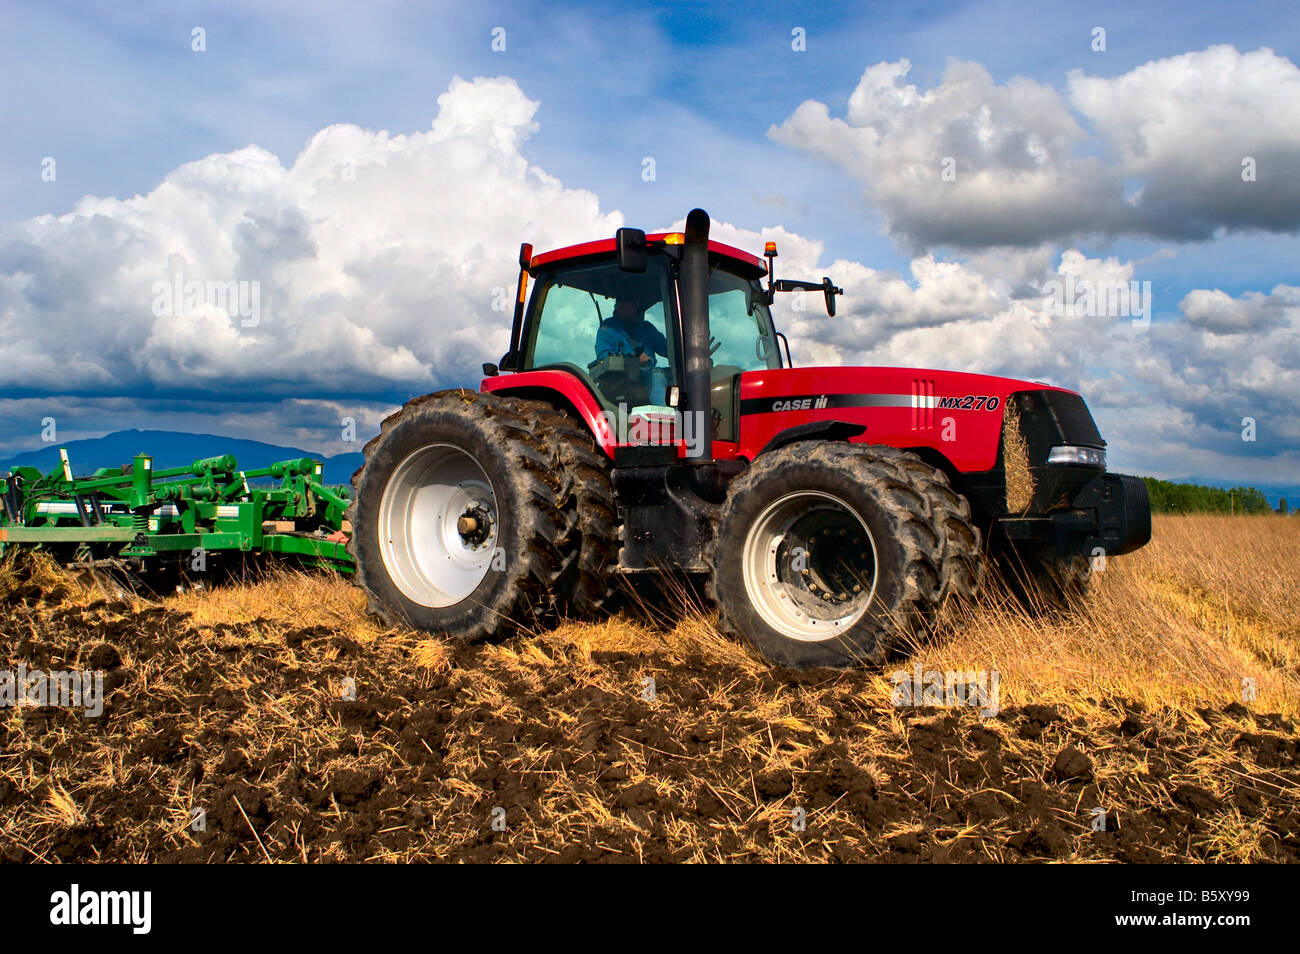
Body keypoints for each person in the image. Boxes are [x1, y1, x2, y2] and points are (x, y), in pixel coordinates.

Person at [594, 297, 670, 405]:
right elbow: (604, 357)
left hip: (647, 373)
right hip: (620, 380)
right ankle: (662, 418)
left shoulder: (647, 328)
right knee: (657, 377)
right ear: (618, 305)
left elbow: (668, 349)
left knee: (676, 377)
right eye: (625, 301)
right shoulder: (607, 329)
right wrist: (635, 361)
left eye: (633, 303)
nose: (630, 306)